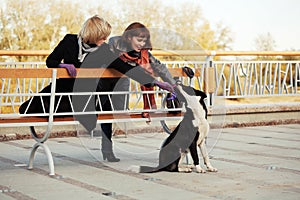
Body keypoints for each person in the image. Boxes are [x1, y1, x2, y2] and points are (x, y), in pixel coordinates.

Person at [19, 15, 175, 162]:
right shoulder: (69, 41)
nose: (105, 40)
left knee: (105, 106)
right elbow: (50, 61)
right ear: (93, 34)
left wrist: (156, 82)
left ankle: (107, 150)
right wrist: (63, 65)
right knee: (26, 109)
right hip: (62, 90)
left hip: (87, 94)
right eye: (102, 36)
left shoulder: (104, 49)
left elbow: (124, 67)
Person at [108, 22, 176, 121]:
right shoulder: (114, 43)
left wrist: (173, 85)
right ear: (129, 37)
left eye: (144, 41)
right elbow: (109, 61)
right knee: (102, 108)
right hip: (106, 79)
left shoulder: (143, 53)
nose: (142, 44)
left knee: (121, 112)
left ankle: (118, 128)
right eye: (139, 40)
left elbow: (159, 66)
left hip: (123, 79)